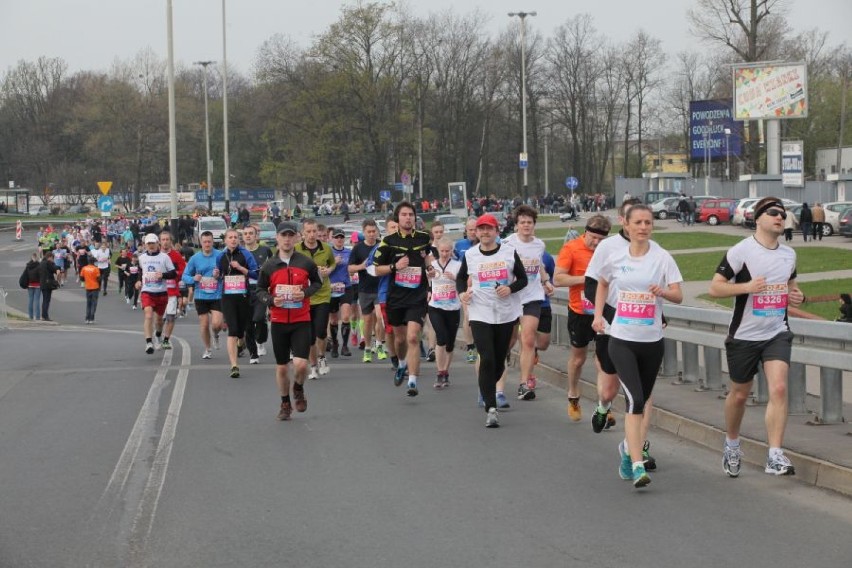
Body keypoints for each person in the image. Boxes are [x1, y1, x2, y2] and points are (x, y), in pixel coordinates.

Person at [709, 196, 805, 478]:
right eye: (774, 213)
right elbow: (715, 288)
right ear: (759, 218)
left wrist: (795, 295)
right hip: (745, 335)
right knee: (739, 395)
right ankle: (732, 443)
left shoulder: (789, 255)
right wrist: (747, 287)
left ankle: (774, 455)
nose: (780, 218)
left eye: (783, 214)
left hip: (777, 332)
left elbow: (791, 287)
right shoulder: (741, 251)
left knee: (778, 389)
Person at [592, 204, 683, 488]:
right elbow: (602, 283)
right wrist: (597, 315)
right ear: (627, 226)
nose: (643, 227)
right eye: (638, 222)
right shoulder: (615, 256)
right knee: (635, 400)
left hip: (652, 341)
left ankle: (626, 450)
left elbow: (678, 295)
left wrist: (663, 292)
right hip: (621, 338)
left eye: (648, 222)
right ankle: (637, 464)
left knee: (642, 400)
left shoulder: (663, 257)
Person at [457, 214, 528, 427]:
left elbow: (523, 279)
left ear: (497, 232)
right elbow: (461, 278)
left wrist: (510, 288)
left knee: (498, 359)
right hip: (480, 312)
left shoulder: (508, 252)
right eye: (481, 229)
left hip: (505, 312)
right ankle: (491, 407)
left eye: (489, 229)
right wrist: (462, 294)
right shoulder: (470, 255)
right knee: (486, 357)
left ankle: (486, 386)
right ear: (476, 233)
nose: (485, 232)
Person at [256, 221, 323, 421]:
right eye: (283, 235)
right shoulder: (269, 266)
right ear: (277, 238)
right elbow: (259, 290)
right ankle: (285, 403)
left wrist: (304, 293)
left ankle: (298, 388)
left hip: (301, 319)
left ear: (296, 238)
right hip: (278, 321)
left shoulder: (305, 262)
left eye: (290, 235)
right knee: (283, 367)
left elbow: (318, 283)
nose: (286, 239)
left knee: (301, 365)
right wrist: (270, 300)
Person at [372, 202, 434, 396]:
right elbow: (376, 269)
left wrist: (431, 268)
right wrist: (394, 267)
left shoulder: (424, 238)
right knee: (400, 340)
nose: (408, 218)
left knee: (413, 336)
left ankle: (413, 381)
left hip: (417, 295)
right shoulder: (388, 241)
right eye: (404, 214)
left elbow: (427, 257)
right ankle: (401, 363)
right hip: (396, 297)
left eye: (411, 214)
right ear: (397, 219)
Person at [554, 214, 611, 422]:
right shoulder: (571, 248)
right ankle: (573, 395)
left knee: (603, 361)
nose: (596, 243)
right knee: (579, 359)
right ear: (585, 231)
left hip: (604, 312)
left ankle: (604, 405)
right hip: (579, 312)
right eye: (593, 238)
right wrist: (587, 280)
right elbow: (558, 278)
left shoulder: (610, 251)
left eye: (600, 240)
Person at [504, 205, 553, 401]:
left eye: (529, 222)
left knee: (528, 340)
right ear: (516, 225)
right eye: (522, 222)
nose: (526, 225)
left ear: (534, 225)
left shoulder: (539, 244)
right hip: (511, 296)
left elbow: (539, 263)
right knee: (510, 339)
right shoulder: (507, 243)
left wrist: (545, 280)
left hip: (532, 297)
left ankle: (524, 384)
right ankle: (505, 352)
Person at [296, 218, 335, 379]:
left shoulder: (326, 248)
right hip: (305, 296)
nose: (312, 235)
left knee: (320, 330)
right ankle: (313, 366)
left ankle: (322, 357)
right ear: (303, 233)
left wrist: (328, 271)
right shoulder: (296, 249)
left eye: (314, 231)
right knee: (309, 335)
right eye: (308, 232)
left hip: (323, 293)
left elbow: (332, 264)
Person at [217, 228, 259, 378]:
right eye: (230, 237)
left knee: (243, 329)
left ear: (239, 240)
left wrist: (241, 268)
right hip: (227, 297)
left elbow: (256, 273)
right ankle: (234, 366)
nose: (233, 240)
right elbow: (220, 274)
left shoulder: (245, 254)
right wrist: (217, 275)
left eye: (236, 237)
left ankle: (242, 342)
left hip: (243, 296)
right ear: (225, 240)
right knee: (232, 331)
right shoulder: (221, 256)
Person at [182, 231, 225, 359]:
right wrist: (194, 279)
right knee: (204, 324)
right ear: (201, 243)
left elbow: (227, 273)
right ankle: (207, 349)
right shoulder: (195, 259)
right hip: (201, 296)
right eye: (205, 242)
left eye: (209, 242)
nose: (207, 244)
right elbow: (185, 276)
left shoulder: (220, 256)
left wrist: (219, 275)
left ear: (213, 242)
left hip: (216, 295)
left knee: (217, 324)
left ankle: (216, 335)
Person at [427, 237, 462, 389]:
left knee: (450, 343)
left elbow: (463, 283)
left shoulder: (458, 265)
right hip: (435, 306)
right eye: (442, 251)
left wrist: (454, 278)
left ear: (452, 251)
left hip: (453, 307)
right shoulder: (432, 265)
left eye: (448, 251)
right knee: (440, 338)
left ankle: (446, 371)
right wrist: (430, 277)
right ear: (438, 251)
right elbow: (426, 281)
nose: (445, 253)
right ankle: (440, 372)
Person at [348, 219, 383, 363]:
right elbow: (350, 269)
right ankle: (368, 348)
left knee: (380, 316)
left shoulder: (382, 246)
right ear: (364, 232)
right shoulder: (358, 249)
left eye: (374, 231)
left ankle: (380, 345)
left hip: (381, 288)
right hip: (364, 289)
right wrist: (361, 266)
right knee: (368, 321)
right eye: (369, 232)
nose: (371, 234)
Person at [136, 233, 177, 354]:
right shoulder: (142, 258)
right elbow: (140, 271)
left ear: (157, 244)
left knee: (159, 320)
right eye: (148, 244)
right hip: (147, 291)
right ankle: (149, 342)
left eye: (153, 243)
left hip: (161, 292)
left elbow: (173, 273)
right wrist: (138, 281)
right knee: (148, 315)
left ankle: (158, 334)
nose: (151, 246)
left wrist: (163, 275)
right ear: (145, 245)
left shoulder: (164, 257)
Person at [242, 224, 275, 363]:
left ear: (256, 236)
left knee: (259, 318)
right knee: (248, 323)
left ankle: (260, 340)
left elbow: (273, 269)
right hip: (244, 290)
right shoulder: (240, 252)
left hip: (261, 289)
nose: (248, 236)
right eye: (245, 234)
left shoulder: (265, 250)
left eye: (251, 233)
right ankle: (253, 353)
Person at [453, 217, 480, 363]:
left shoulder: (484, 244)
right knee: (468, 316)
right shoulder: (460, 245)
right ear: (466, 230)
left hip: (482, 286)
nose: (473, 232)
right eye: (470, 230)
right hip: (467, 286)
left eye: (476, 229)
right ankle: (470, 346)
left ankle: (480, 343)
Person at [328, 227, 354, 358]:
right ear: (332, 239)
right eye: (336, 237)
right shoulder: (328, 252)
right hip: (331, 288)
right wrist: (334, 263)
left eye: (341, 237)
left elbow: (353, 267)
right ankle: (335, 344)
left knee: (345, 316)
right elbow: (323, 270)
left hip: (346, 287)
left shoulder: (349, 252)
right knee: (333, 320)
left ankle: (344, 345)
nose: (339, 239)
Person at [159, 230, 187, 350]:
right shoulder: (155, 255)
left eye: (167, 240)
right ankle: (158, 335)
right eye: (163, 240)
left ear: (171, 241)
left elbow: (183, 271)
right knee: (160, 319)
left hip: (172, 292)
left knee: (170, 317)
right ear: (159, 242)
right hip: (158, 292)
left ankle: (166, 340)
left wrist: (175, 274)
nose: (165, 242)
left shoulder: (176, 256)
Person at [80, 254, 101, 324]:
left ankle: (87, 318)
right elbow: (98, 279)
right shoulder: (96, 269)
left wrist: (87, 280)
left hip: (88, 287)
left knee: (88, 303)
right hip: (95, 287)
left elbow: (81, 278)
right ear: (93, 262)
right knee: (94, 304)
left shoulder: (84, 268)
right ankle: (92, 318)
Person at [39, 251, 59, 321]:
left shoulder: (41, 263)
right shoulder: (48, 263)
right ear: (50, 257)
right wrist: (54, 264)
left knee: (44, 300)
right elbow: (54, 269)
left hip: (42, 284)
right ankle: (45, 316)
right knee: (47, 301)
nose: (52, 259)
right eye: (52, 258)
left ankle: (43, 315)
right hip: (48, 284)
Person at [24, 253, 42, 321]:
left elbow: (25, 275)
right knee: (37, 300)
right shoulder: (39, 265)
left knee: (30, 300)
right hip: (37, 285)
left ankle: (30, 316)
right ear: (36, 258)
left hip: (30, 284)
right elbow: (41, 275)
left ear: (31, 258)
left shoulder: (28, 265)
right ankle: (37, 317)